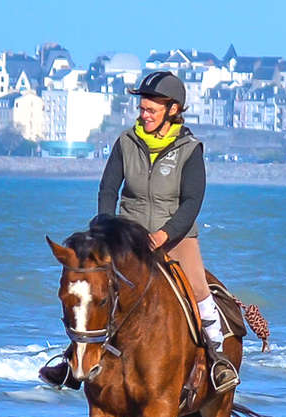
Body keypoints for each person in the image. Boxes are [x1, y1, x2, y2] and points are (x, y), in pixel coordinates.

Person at [40, 70, 237, 393]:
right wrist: (106, 226)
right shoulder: (126, 142)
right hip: (126, 235)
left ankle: (216, 359)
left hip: (176, 235)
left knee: (200, 290)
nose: (144, 115)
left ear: (172, 110)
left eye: (151, 110)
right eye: (142, 110)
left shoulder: (189, 149)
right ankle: (70, 359)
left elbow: (192, 202)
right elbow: (108, 188)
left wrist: (164, 234)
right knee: (92, 287)